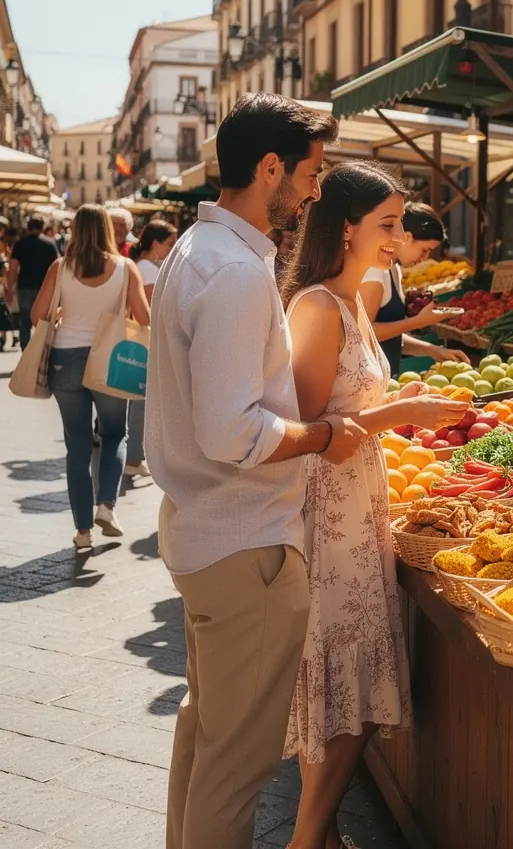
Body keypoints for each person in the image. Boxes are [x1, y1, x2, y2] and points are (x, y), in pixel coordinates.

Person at [146, 92, 367, 849]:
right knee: (237, 769)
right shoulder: (236, 272)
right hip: (247, 546)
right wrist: (323, 435)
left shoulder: (193, 252)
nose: (314, 190)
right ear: (270, 167)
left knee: (206, 740)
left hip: (206, 535)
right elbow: (232, 431)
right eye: (310, 173)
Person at [282, 164, 466, 849]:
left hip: (359, 507)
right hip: (329, 514)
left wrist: (398, 413)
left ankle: (319, 836)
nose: (399, 236)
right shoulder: (316, 307)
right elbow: (302, 430)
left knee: (342, 687)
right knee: (345, 687)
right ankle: (307, 840)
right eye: (388, 224)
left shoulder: (350, 300)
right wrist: (405, 411)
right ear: (347, 226)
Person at [30, 205, 150, 550]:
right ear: (107, 231)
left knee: (77, 446)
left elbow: (38, 316)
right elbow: (145, 319)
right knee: (114, 434)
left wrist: (64, 312)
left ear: (77, 230)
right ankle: (106, 507)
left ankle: (83, 532)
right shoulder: (126, 268)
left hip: (64, 361)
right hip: (110, 359)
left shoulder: (61, 266)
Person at [360, 201, 469, 377]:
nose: (425, 258)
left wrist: (433, 350)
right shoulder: (375, 272)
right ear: (408, 237)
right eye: (424, 250)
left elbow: (391, 336)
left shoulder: (393, 270)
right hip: (367, 379)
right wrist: (418, 322)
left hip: (386, 378)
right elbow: (364, 333)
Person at [124, 220, 178, 478]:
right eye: (169, 244)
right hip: (146, 340)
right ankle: (134, 456)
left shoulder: (141, 266)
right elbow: (152, 309)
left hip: (138, 340)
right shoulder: (148, 269)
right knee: (140, 402)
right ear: (155, 244)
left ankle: (135, 455)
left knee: (138, 401)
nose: (172, 249)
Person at [6, 216, 58, 351]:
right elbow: (57, 267)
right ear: (42, 228)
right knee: (44, 322)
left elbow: (13, 267)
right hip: (44, 288)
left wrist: (9, 289)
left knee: (25, 320)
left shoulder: (20, 243)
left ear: (28, 227)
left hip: (24, 287)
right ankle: (42, 351)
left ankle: (26, 352)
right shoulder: (50, 244)